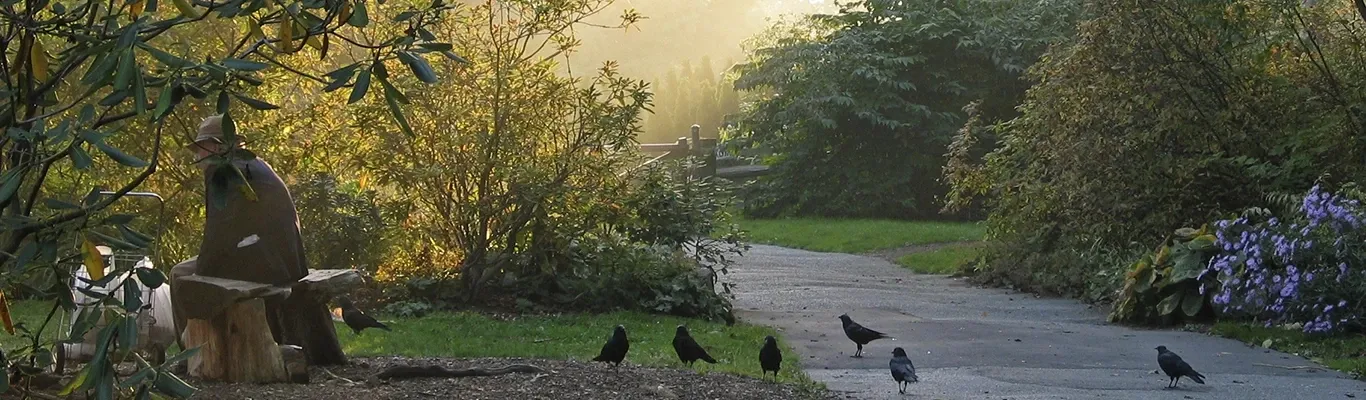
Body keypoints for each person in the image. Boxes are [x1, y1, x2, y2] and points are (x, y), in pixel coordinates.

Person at [169, 115, 346, 365]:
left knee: (179, 275)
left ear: (217, 146)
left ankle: (190, 354)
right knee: (191, 272)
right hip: (284, 261)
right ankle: (203, 349)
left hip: (263, 265)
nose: (197, 154)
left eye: (201, 147)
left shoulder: (223, 171)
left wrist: (203, 274)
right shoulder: (252, 164)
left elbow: (218, 232)